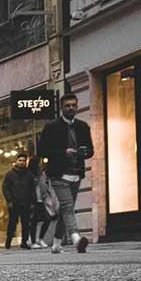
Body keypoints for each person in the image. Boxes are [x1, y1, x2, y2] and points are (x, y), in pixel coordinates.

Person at [37, 92, 94, 253]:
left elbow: (91, 151)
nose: (70, 108)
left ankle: (56, 244)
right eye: (67, 106)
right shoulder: (51, 127)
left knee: (65, 209)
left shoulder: (83, 126)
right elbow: (41, 150)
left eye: (73, 105)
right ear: (61, 108)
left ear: (77, 107)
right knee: (68, 206)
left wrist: (84, 152)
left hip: (76, 173)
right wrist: (63, 152)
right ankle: (76, 238)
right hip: (58, 174)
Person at [2, 155, 36, 249]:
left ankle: (24, 242)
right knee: (12, 222)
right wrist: (9, 200)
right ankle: (8, 241)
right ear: (16, 161)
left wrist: (33, 202)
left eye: (24, 161)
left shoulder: (29, 174)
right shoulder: (10, 174)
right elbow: (5, 188)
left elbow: (32, 189)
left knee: (26, 223)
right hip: (14, 203)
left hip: (26, 202)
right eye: (20, 160)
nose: (22, 162)